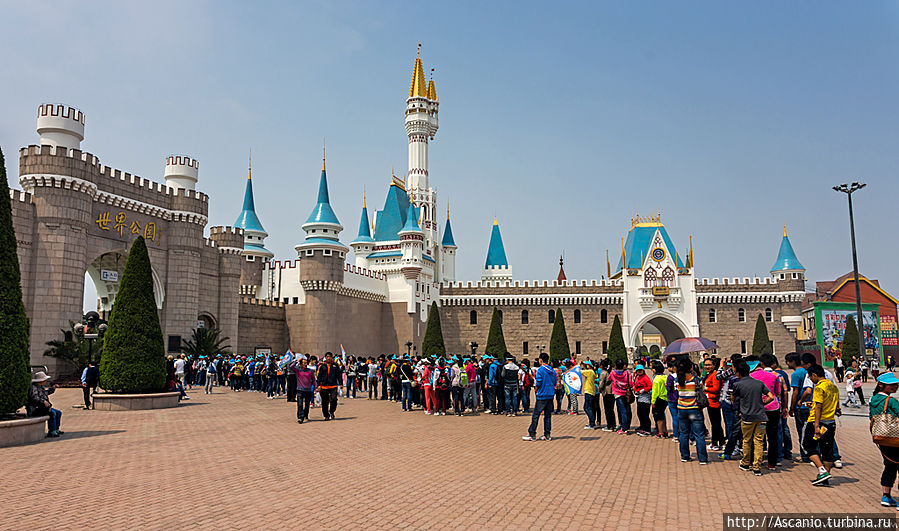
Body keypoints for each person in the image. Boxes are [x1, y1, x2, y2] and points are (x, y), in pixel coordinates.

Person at [730, 360, 776, 475]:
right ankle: (757, 467)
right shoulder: (759, 383)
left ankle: (746, 463)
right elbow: (771, 396)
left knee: (747, 440)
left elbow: (733, 398)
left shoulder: (738, 384)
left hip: (747, 416)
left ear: (738, 373)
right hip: (761, 416)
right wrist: (763, 404)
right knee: (759, 441)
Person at [804, 364, 839, 486]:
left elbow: (819, 407)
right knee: (827, 449)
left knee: (808, 446)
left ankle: (822, 470)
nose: (811, 379)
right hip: (830, 422)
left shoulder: (819, 388)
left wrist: (816, 426)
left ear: (814, 375)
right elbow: (834, 404)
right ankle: (826, 475)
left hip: (818, 421)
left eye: (810, 377)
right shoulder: (833, 387)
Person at [870, 372, 899, 508]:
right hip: (896, 439)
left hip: (882, 438)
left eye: (896, 384)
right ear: (881, 385)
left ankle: (886, 496)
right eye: (891, 384)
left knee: (889, 466)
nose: (895, 386)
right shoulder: (891, 401)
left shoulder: (873, 399)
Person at [750, 355, 783, 469]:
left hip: (756, 408)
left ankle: (753, 460)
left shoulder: (751, 376)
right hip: (772, 408)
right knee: (773, 436)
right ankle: (772, 463)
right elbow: (777, 392)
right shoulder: (774, 376)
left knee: (755, 436)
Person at [675, 358, 708, 464]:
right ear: (690, 367)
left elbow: (676, 391)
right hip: (694, 410)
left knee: (684, 434)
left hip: (682, 410)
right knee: (699, 434)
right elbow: (703, 389)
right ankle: (702, 458)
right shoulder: (696, 380)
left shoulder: (677, 380)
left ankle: (685, 456)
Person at [523, 353, 556, 441]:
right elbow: (554, 382)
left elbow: (539, 382)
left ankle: (532, 434)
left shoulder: (541, 370)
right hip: (550, 394)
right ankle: (547, 434)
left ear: (540, 360)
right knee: (548, 415)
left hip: (542, 394)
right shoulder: (552, 370)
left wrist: (537, 388)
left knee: (536, 415)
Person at [27, 372, 63, 437]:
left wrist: (52, 389)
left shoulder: (41, 387)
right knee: (52, 413)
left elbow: (46, 393)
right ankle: (52, 431)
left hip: (43, 407)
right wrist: (43, 401)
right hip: (36, 408)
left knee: (58, 412)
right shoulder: (33, 388)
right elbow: (34, 397)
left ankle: (56, 429)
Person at [702, 357, 724, 450]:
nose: (707, 367)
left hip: (714, 402)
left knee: (715, 424)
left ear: (714, 365)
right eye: (705, 365)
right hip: (710, 402)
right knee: (716, 423)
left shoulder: (715, 375)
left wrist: (705, 388)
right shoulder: (709, 374)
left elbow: (716, 389)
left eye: (709, 365)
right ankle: (721, 441)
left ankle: (715, 443)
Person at [316, 352, 343, 420]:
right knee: (325, 402)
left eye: (330, 356)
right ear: (325, 357)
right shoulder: (322, 366)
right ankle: (326, 415)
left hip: (333, 385)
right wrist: (318, 385)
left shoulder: (335, 366)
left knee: (334, 399)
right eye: (327, 357)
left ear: (332, 357)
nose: (328, 358)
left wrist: (341, 383)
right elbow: (319, 376)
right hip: (324, 386)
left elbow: (339, 375)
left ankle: (331, 411)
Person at [609, 358, 633, 434]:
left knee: (622, 411)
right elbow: (631, 384)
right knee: (628, 410)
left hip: (617, 394)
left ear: (615, 365)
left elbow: (609, 379)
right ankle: (627, 426)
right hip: (626, 394)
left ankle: (624, 428)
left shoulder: (613, 373)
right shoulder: (627, 373)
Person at [292, 356, 316, 423]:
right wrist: (297, 361)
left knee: (307, 404)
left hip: (308, 390)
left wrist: (316, 387)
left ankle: (306, 415)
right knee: (300, 404)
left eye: (306, 363)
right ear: (300, 364)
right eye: (304, 363)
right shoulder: (298, 370)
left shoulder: (310, 371)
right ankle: (300, 417)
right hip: (300, 390)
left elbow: (313, 379)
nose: (305, 364)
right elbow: (291, 367)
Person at [650, 360, 669, 438]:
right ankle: (665, 431)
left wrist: (653, 401)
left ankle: (660, 432)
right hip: (665, 398)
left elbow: (655, 392)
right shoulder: (666, 377)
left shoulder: (657, 379)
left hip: (658, 399)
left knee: (659, 417)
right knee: (662, 416)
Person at [633, 364, 653, 436]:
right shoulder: (637, 377)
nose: (639, 372)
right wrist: (635, 390)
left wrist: (644, 390)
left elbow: (650, 386)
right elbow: (635, 385)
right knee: (640, 413)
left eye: (641, 370)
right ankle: (643, 428)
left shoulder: (645, 378)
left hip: (645, 397)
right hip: (639, 397)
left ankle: (647, 430)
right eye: (638, 370)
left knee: (645, 414)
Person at [598, 359, 616, 431]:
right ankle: (613, 425)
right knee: (611, 410)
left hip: (606, 392)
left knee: (607, 410)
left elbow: (601, 384)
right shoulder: (611, 372)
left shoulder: (603, 373)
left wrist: (599, 388)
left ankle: (609, 426)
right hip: (612, 392)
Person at [581, 361, 598, 430]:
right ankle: (592, 422)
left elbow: (580, 371)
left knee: (587, 408)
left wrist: (578, 365)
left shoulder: (589, 372)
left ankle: (592, 424)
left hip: (588, 391)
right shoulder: (592, 372)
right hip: (591, 391)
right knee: (589, 407)